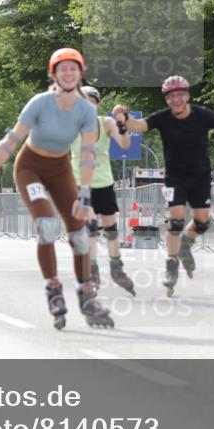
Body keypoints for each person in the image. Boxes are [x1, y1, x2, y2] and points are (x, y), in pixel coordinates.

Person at [0, 47, 112, 329]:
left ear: (81, 73)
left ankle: (86, 293)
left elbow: (86, 154)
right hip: (30, 167)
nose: (68, 73)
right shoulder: (40, 103)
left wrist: (84, 194)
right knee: (47, 224)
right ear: (54, 74)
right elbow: (12, 140)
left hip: (60, 170)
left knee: (80, 234)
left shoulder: (86, 110)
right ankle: (53, 288)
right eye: (63, 69)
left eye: (73, 68)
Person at [113, 75, 214, 295]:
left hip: (200, 176)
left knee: (202, 222)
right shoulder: (163, 118)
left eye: (181, 94)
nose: (177, 100)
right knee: (176, 220)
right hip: (175, 177)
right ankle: (171, 265)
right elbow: (138, 125)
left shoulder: (203, 115)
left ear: (188, 95)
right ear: (167, 100)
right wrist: (122, 115)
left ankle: (185, 244)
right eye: (172, 96)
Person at [70, 86, 135, 295]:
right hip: (81, 184)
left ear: (97, 104)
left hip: (104, 182)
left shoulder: (105, 123)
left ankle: (116, 268)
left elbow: (125, 144)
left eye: (92, 101)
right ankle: (93, 270)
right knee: (90, 230)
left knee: (111, 230)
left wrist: (122, 124)